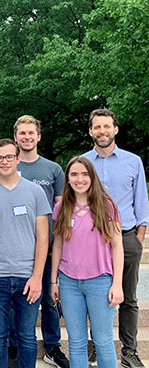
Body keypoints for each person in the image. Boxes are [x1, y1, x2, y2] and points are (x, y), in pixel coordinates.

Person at [0, 138, 51, 368]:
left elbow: (42, 237)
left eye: (9, 157)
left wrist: (37, 277)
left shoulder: (35, 192)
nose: (4, 161)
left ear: (17, 159)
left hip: (28, 276)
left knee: (27, 336)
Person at [82, 109, 149, 368]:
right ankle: (99, 347)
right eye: (97, 127)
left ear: (115, 129)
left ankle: (128, 350)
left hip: (127, 235)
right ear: (90, 132)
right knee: (95, 295)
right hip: (93, 239)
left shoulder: (133, 161)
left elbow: (141, 202)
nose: (102, 131)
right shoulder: (84, 163)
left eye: (106, 127)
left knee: (128, 297)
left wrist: (138, 239)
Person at [50, 156, 123, 367]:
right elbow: (58, 245)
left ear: (92, 177)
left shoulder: (106, 205)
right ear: (68, 178)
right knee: (76, 341)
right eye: (74, 174)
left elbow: (117, 246)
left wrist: (117, 283)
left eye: (84, 174)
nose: (79, 179)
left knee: (102, 340)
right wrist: (54, 281)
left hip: (100, 281)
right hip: (69, 282)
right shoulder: (62, 207)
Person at [8, 115, 68, 367]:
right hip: (15, 247)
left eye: (31, 133)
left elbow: (61, 208)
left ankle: (52, 346)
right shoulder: (8, 166)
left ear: (38, 136)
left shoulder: (53, 169)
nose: (27, 137)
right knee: (15, 299)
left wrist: (61, 242)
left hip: (47, 245)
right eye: (22, 133)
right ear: (16, 137)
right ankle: (14, 346)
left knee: (48, 298)